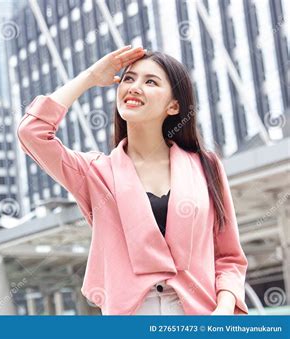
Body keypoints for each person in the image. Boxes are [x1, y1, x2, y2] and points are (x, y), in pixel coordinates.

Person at [16, 46, 248, 315]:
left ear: (174, 106)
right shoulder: (95, 172)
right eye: (128, 78)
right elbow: (32, 132)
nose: (134, 87)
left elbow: (229, 257)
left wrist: (224, 308)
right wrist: (91, 76)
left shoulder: (205, 166)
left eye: (150, 81)